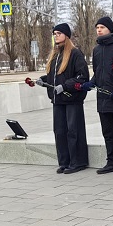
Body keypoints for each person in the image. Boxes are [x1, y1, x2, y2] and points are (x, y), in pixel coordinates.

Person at [80, 16, 113, 176]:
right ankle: (112, 162)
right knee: (108, 132)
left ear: (110, 29)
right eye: (97, 27)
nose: (99, 30)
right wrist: (91, 82)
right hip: (103, 98)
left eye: (102, 27)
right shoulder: (96, 50)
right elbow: (98, 73)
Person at [35, 23, 89, 174]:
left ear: (66, 35)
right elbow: (55, 76)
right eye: (54, 33)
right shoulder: (55, 55)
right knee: (59, 131)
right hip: (57, 100)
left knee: (73, 131)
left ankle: (77, 162)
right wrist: (43, 80)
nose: (56, 35)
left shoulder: (75, 54)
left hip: (71, 99)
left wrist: (65, 86)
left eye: (59, 33)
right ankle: (64, 161)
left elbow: (82, 76)